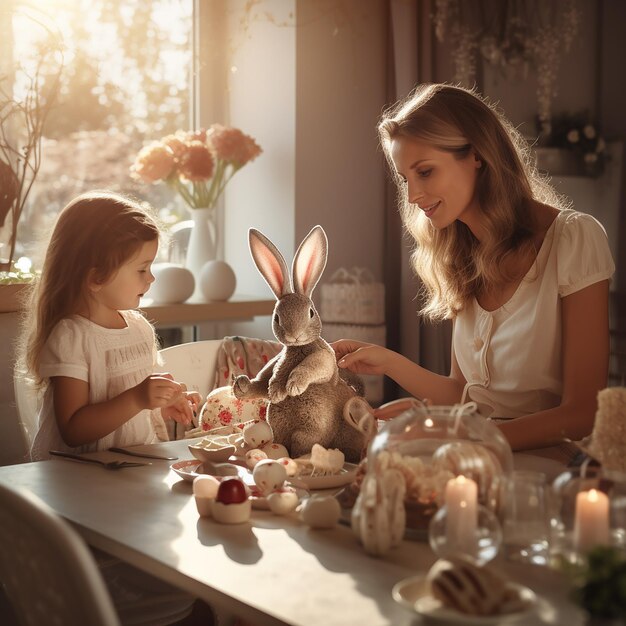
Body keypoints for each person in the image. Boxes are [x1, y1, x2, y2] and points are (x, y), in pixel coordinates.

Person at [333, 83, 615, 454]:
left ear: (477, 155)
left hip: (549, 473)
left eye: (426, 172)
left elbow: (583, 413)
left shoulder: (574, 239)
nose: (414, 195)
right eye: (406, 179)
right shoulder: (459, 256)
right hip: (468, 462)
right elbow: (463, 394)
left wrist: (459, 435)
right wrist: (389, 363)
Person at [20, 190, 200, 459]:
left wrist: (159, 403)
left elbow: (128, 412)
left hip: (129, 468)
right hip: (75, 479)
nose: (150, 278)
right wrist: (138, 398)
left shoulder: (139, 328)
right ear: (96, 278)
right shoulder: (72, 337)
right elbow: (73, 430)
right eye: (141, 269)